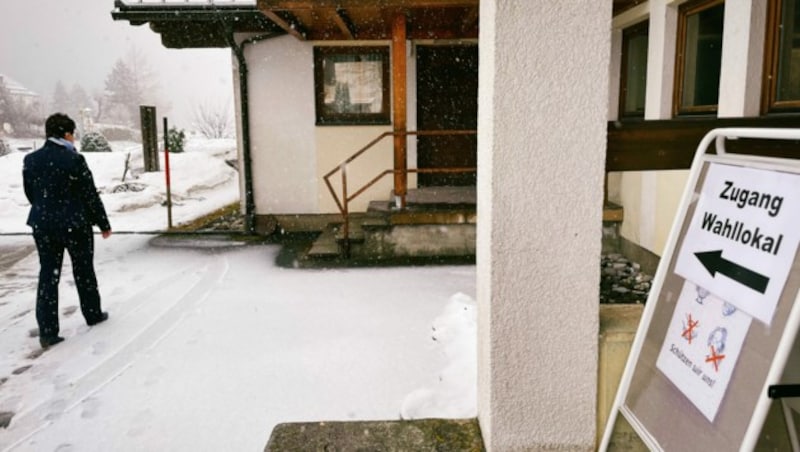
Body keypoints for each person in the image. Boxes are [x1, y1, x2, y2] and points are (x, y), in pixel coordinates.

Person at [23, 113, 112, 349]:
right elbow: (89, 195)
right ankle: (92, 313)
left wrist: (46, 210)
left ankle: (48, 331)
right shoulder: (74, 160)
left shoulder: (31, 160)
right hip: (75, 224)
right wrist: (103, 223)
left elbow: (31, 194)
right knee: (83, 269)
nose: (74, 139)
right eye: (72, 134)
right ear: (66, 134)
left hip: (43, 226)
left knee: (48, 275)